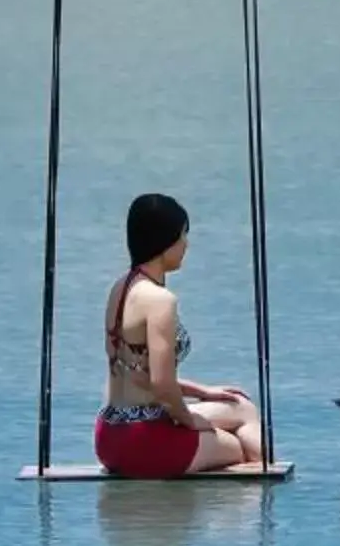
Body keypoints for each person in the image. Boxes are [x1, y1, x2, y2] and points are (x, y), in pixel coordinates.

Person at [96, 193, 265, 477]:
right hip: (145, 442)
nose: (186, 244)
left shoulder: (120, 288)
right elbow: (162, 385)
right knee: (239, 446)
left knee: (241, 407)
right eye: (183, 235)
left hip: (109, 436)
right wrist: (189, 420)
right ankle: (264, 496)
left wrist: (202, 393)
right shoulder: (160, 300)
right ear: (165, 242)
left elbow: (136, 372)